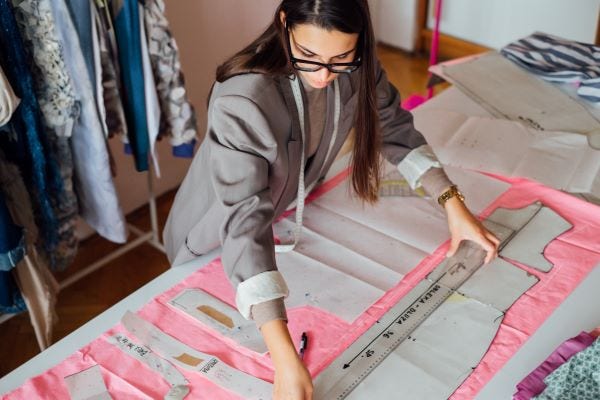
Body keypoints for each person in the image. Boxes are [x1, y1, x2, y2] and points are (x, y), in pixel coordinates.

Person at [163, 0, 500, 398]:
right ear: (284, 23)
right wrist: (285, 360)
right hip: (213, 236)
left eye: (340, 58)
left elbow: (394, 129)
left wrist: (453, 204)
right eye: (308, 56)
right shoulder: (244, 97)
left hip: (280, 212)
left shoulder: (357, 67)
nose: (324, 75)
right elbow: (243, 220)